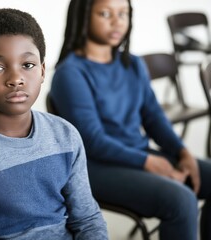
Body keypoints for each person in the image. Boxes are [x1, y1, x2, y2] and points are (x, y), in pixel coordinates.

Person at [0, 8, 108, 239]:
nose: (16, 79)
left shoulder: (65, 135)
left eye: (27, 65)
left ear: (43, 70)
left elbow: (87, 221)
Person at [50, 0, 211, 239]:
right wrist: (151, 162)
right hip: (96, 169)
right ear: (83, 16)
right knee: (180, 200)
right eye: (105, 14)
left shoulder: (133, 64)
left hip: (138, 156)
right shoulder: (70, 73)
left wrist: (182, 152)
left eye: (123, 13)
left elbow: (154, 117)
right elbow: (94, 141)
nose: (117, 21)